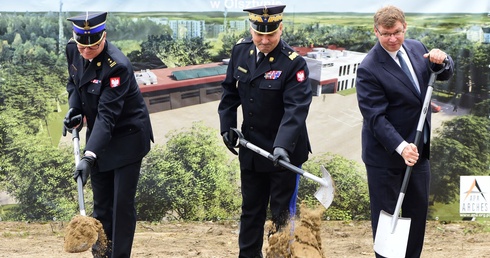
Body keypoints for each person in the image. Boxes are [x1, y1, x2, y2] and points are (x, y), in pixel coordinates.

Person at [356, 5, 454, 258]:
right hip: (385, 157)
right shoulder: (368, 67)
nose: (392, 39)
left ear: (405, 27)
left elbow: (441, 73)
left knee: (416, 217)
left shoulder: (417, 48)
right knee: (387, 221)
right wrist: (401, 146)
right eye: (385, 33)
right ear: (375, 31)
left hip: (419, 151)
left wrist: (443, 60)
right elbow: (375, 117)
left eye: (397, 32)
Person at [218, 5, 312, 258]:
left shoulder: (294, 63)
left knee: (281, 215)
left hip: (285, 154)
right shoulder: (241, 52)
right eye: (259, 34)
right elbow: (229, 93)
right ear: (251, 30)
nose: (265, 40)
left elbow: (296, 109)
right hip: (251, 149)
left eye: (271, 34)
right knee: (251, 210)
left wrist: (281, 145)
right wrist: (226, 126)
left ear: (281, 28)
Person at [63, 12, 153, 258]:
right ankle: (102, 254)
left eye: (92, 47)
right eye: (82, 46)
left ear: (104, 37)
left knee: (120, 206)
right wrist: (74, 109)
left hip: (128, 138)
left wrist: (88, 157)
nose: (86, 51)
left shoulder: (118, 66)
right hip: (100, 137)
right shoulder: (73, 49)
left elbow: (107, 116)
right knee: (101, 205)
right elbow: (74, 83)